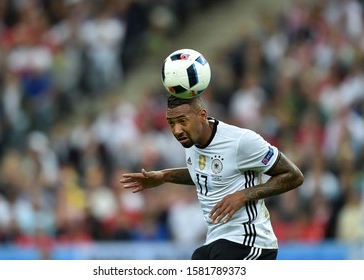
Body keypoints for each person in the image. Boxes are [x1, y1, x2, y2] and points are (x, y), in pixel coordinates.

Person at [120, 94, 304, 260]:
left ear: (202, 115)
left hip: (249, 242)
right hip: (216, 241)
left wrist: (243, 195)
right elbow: (208, 174)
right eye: (171, 123)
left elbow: (293, 175)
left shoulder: (241, 141)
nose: (176, 130)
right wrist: (165, 176)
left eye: (182, 121)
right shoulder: (191, 142)